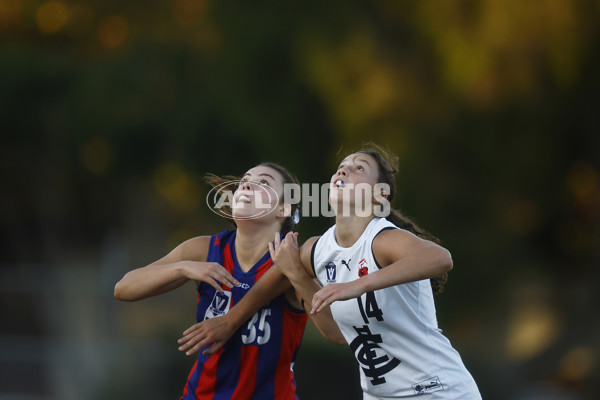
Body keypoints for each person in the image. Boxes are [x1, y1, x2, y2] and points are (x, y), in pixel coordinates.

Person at [178, 144, 481, 399]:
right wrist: (234, 319)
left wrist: (358, 285)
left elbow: (440, 258)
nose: (344, 170)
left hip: (440, 390)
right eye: (341, 166)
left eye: (359, 168)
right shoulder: (317, 250)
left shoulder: (383, 238)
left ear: (380, 196)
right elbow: (335, 333)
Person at [114, 162, 318, 400]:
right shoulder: (204, 250)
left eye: (263, 183)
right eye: (244, 181)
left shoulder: (293, 260)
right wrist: (183, 267)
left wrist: (231, 320)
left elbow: (334, 331)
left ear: (282, 209)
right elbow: (123, 287)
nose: (247, 187)